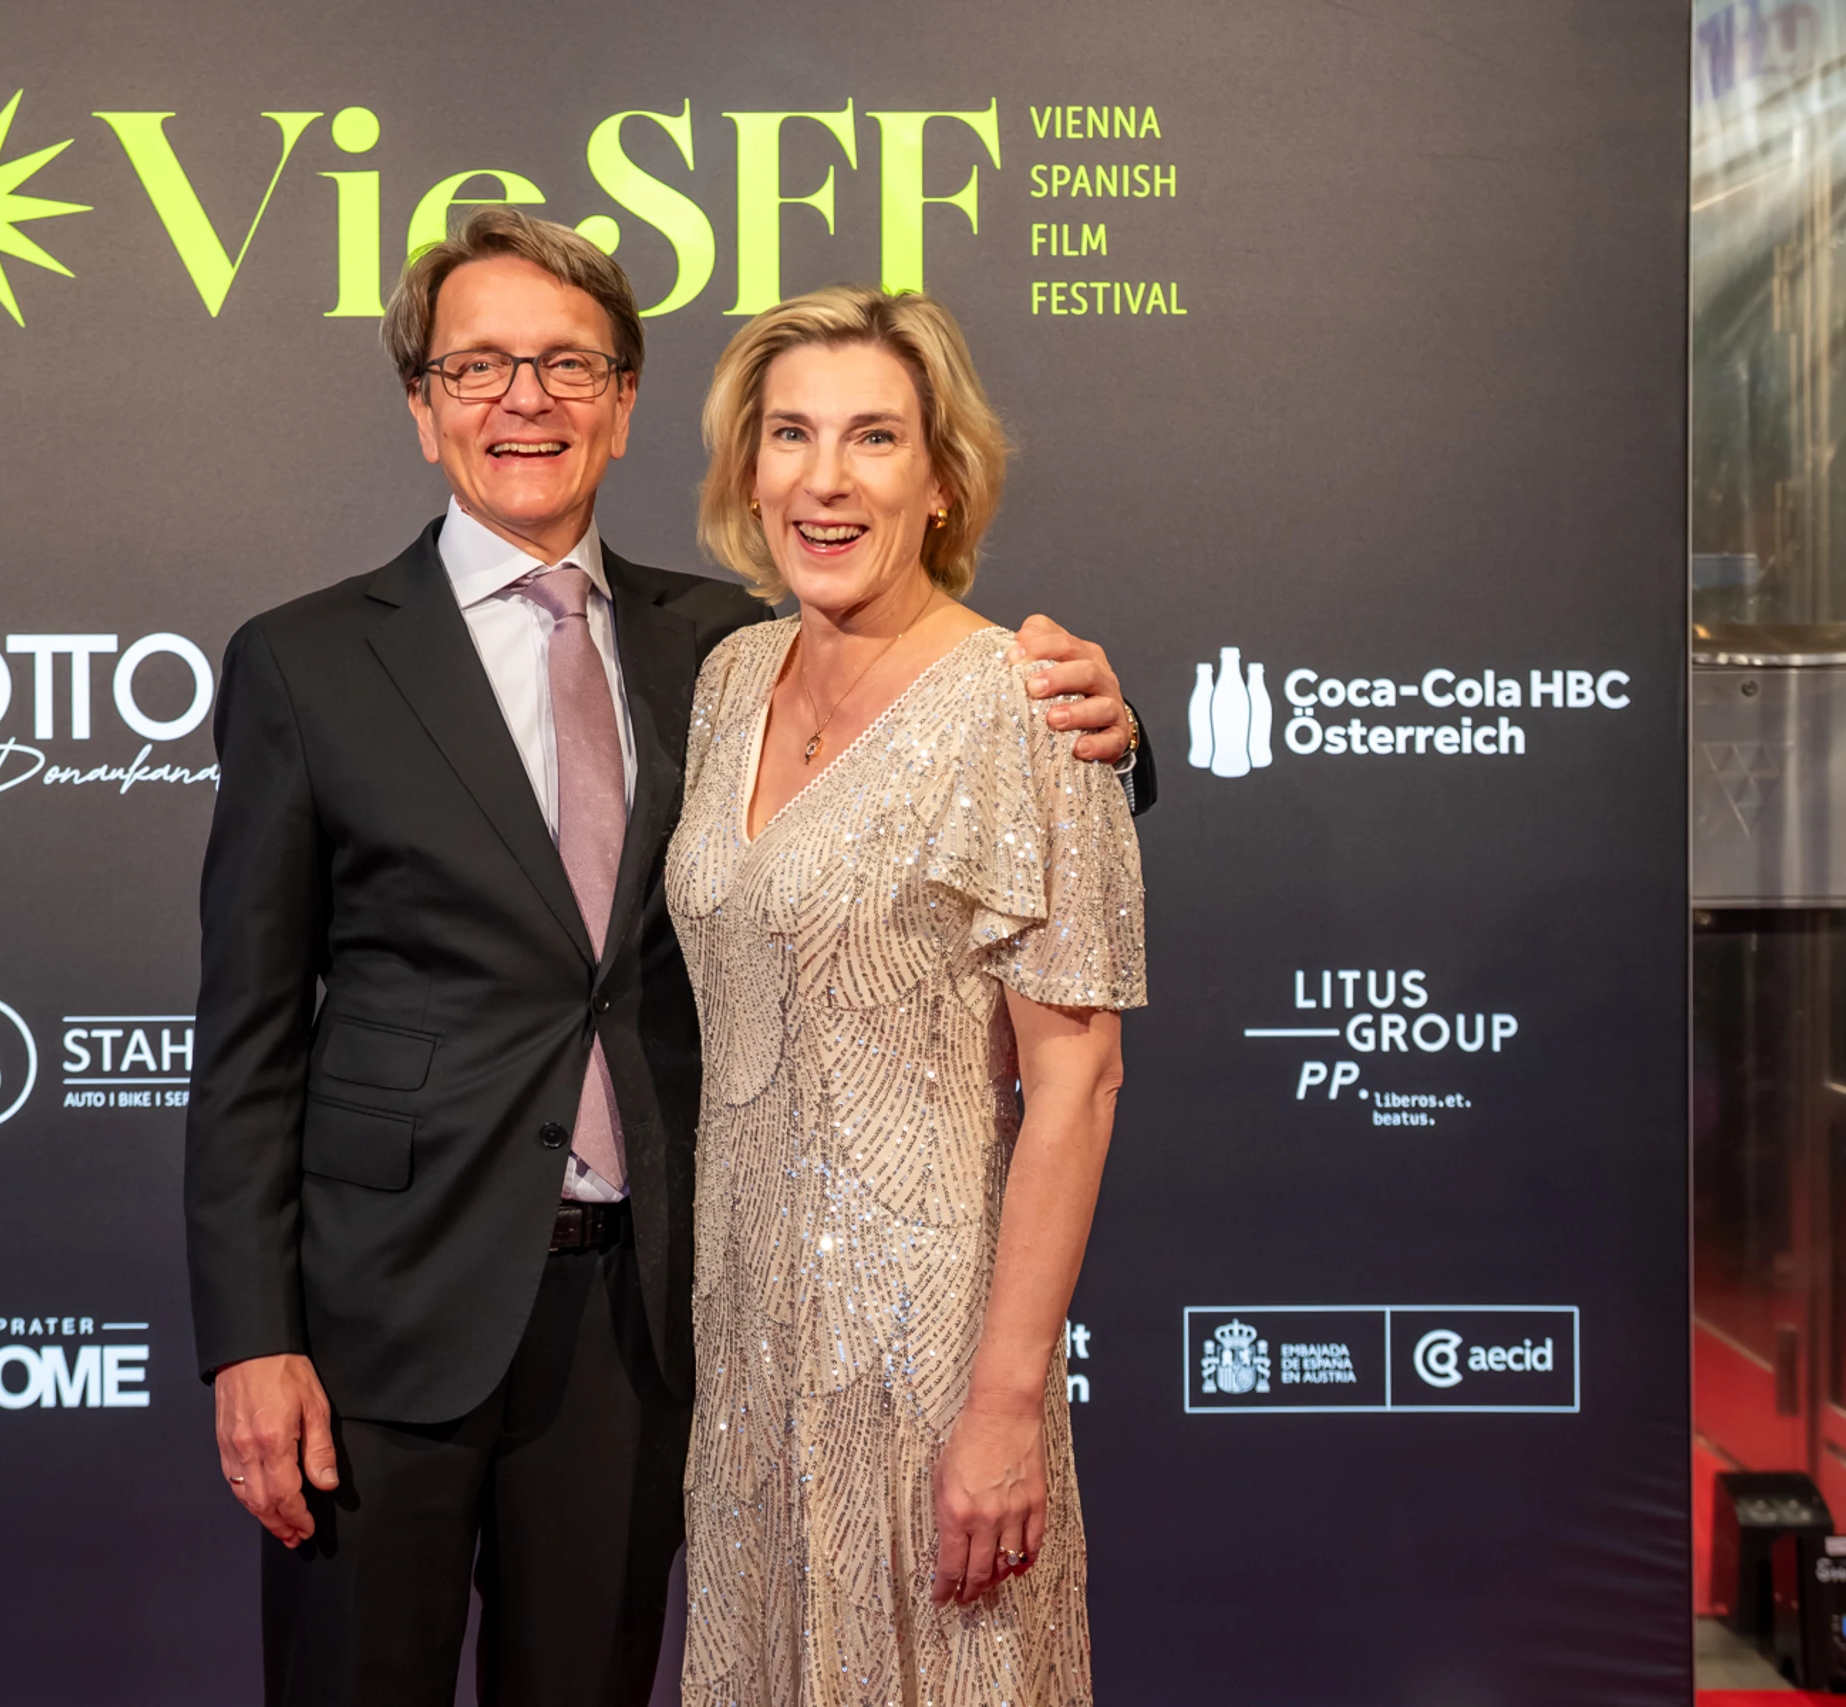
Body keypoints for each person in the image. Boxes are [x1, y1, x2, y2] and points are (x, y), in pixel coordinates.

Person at [185, 210, 1146, 1707]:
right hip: (383, 1324)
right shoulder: (305, 662)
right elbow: (248, 1035)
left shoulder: (719, 643)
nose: (526, 400)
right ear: (423, 406)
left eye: (568, 365)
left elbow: (952, 734)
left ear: (625, 405)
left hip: (644, 1330)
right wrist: (252, 1339)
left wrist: (1115, 735)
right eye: (479, 366)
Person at [668, 285, 1143, 1704]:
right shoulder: (731, 678)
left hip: (931, 1356)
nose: (826, 478)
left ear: (943, 481)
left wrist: (1006, 1402)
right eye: (791, 434)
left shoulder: (1030, 704)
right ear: (748, 470)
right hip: (745, 1354)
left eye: (874, 437)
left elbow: (1077, 1082)